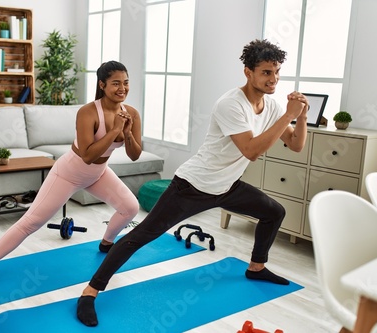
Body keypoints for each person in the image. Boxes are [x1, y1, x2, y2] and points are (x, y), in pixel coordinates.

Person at [76, 39, 309, 327]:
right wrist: (289, 114)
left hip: (227, 185)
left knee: (274, 211)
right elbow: (250, 149)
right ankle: (90, 292)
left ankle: (256, 267)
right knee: (142, 235)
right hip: (193, 185)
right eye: (265, 73)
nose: (273, 79)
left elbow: (296, 145)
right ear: (248, 73)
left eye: (276, 72)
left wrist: (302, 118)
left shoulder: (271, 106)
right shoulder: (231, 104)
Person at [0, 61, 142, 292]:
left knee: (130, 207)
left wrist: (126, 134)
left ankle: (106, 244)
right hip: (68, 173)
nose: (122, 88)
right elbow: (87, 156)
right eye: (116, 83)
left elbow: (135, 154)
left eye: (126, 83)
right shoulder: (88, 112)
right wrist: (115, 131)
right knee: (32, 222)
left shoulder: (132, 114)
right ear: (102, 85)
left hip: (99, 173)